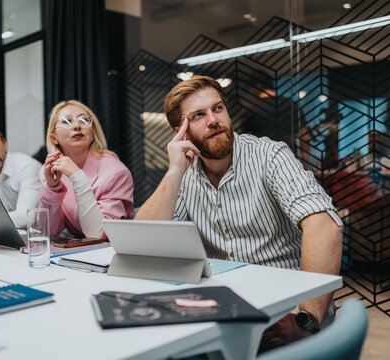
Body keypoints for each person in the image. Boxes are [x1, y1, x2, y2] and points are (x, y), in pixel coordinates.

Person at [135, 76, 343, 352]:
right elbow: (144, 244)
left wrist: (306, 320)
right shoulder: (184, 174)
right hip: (225, 310)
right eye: (199, 115)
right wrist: (174, 172)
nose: (213, 120)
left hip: (288, 311)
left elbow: (325, 227)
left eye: (217, 108)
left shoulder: (270, 156)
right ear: (181, 132)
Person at [39, 100, 134, 239]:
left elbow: (98, 234)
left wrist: (77, 176)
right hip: (79, 252)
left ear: (93, 133)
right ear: (54, 138)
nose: (77, 126)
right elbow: (49, 231)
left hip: (114, 249)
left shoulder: (116, 172)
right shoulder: (49, 171)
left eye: (84, 120)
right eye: (66, 121)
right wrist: (52, 188)